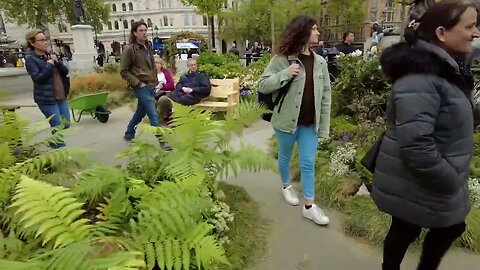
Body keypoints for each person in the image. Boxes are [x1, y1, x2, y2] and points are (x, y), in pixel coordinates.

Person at [373, 1, 480, 269]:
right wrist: (450, 178)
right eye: (469, 26)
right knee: (432, 228)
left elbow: (447, 114)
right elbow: (416, 143)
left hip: (425, 177)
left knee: (408, 228)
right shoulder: (421, 77)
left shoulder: (448, 67)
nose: (476, 33)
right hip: (424, 177)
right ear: (442, 33)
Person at [257, 15, 332, 226]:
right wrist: (286, 73)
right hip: (286, 122)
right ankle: (286, 185)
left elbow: (326, 95)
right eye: (315, 29)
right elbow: (263, 85)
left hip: (310, 123)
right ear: (303, 32)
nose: (318, 33)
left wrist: (324, 126)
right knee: (285, 156)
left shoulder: (321, 62)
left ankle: (309, 206)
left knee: (308, 163)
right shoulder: (282, 59)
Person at [120, 21, 171, 150]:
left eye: (145, 30)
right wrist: (138, 83)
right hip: (140, 86)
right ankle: (162, 141)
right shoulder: (129, 49)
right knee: (153, 114)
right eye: (141, 31)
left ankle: (129, 133)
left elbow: (151, 65)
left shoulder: (148, 45)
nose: (144, 33)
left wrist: (154, 80)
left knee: (140, 113)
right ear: (134, 33)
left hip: (150, 85)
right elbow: (123, 71)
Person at [24, 29, 71, 149]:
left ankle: (53, 142)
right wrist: (49, 64)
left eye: (46, 39)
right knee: (57, 125)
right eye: (42, 40)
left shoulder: (50, 54)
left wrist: (57, 62)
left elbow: (65, 72)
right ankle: (61, 151)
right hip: (46, 99)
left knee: (66, 124)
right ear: (32, 42)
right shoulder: (30, 59)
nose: (45, 42)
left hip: (61, 96)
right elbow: (39, 78)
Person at [156, 58, 210, 126]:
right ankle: (165, 119)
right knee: (164, 99)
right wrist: (183, 88)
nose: (193, 66)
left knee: (182, 100)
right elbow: (178, 86)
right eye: (191, 65)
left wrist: (192, 90)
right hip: (181, 93)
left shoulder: (201, 76)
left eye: (194, 65)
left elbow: (206, 88)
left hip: (194, 95)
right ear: (188, 67)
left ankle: (177, 121)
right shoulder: (184, 76)